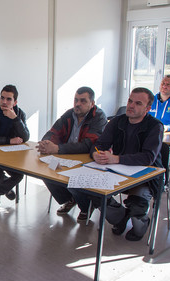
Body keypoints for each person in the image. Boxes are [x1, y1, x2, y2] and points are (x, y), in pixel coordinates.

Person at [69, 87, 164, 241]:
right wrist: (96, 154)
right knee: (93, 191)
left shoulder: (155, 126)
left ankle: (139, 221)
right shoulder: (117, 121)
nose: (131, 106)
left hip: (146, 178)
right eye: (130, 101)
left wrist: (116, 158)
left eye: (138, 103)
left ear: (148, 108)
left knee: (137, 219)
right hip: (117, 172)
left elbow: (148, 157)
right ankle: (121, 218)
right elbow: (99, 144)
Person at [36, 86, 107, 219]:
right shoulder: (70, 114)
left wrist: (57, 149)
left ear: (92, 104)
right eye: (76, 100)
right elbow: (53, 131)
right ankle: (70, 199)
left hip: (87, 160)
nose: (78, 104)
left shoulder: (99, 117)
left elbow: (88, 144)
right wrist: (45, 143)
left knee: (73, 179)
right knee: (46, 171)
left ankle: (86, 206)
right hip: (67, 156)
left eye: (83, 101)